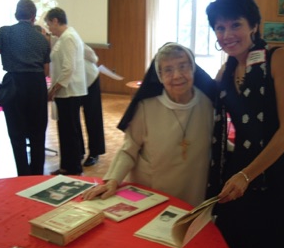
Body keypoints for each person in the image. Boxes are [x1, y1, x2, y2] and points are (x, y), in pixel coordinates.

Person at [206, 0, 284, 248]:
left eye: (235, 24)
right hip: (242, 167)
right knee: (238, 240)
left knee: (276, 243)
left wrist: (246, 175)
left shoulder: (280, 59)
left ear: (253, 25)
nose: (227, 34)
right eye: (220, 28)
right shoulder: (226, 70)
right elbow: (201, 101)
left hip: (281, 171)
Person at [82, 42, 216, 206]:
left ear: (193, 68)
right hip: (154, 193)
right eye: (168, 70)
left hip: (194, 192)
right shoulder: (146, 106)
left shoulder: (208, 103)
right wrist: (113, 180)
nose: (177, 75)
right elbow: (129, 149)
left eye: (183, 66)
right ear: (159, 76)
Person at [0, 0, 51, 176]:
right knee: (38, 134)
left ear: (17, 14)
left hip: (13, 83)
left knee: (17, 134)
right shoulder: (42, 38)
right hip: (37, 85)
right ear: (33, 16)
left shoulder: (4, 32)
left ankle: (22, 176)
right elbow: (46, 71)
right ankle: (37, 175)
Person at [45, 7, 87, 176]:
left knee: (68, 131)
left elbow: (68, 68)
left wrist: (53, 90)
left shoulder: (68, 37)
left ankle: (72, 168)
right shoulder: (65, 37)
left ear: (56, 20)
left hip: (69, 92)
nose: (49, 28)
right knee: (67, 130)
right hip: (67, 91)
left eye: (49, 24)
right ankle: (69, 165)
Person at [80, 44, 106, 167]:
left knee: (92, 116)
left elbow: (93, 57)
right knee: (72, 119)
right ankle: (78, 151)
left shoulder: (71, 37)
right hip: (73, 83)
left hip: (89, 79)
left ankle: (94, 152)